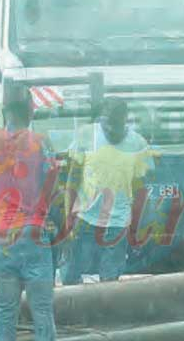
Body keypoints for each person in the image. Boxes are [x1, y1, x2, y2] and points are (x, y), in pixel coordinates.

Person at [0, 98, 57, 341]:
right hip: (34, 232)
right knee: (42, 311)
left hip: (3, 237)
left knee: (6, 311)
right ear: (31, 113)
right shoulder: (41, 142)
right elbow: (53, 180)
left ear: (4, 112)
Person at [62, 98, 153, 285]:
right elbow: (73, 178)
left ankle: (102, 313)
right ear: (101, 120)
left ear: (125, 120)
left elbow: (140, 190)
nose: (111, 129)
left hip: (117, 223)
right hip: (85, 218)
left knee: (109, 282)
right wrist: (68, 216)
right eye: (107, 124)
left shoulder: (137, 144)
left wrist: (135, 225)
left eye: (116, 124)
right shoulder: (87, 135)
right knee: (71, 277)